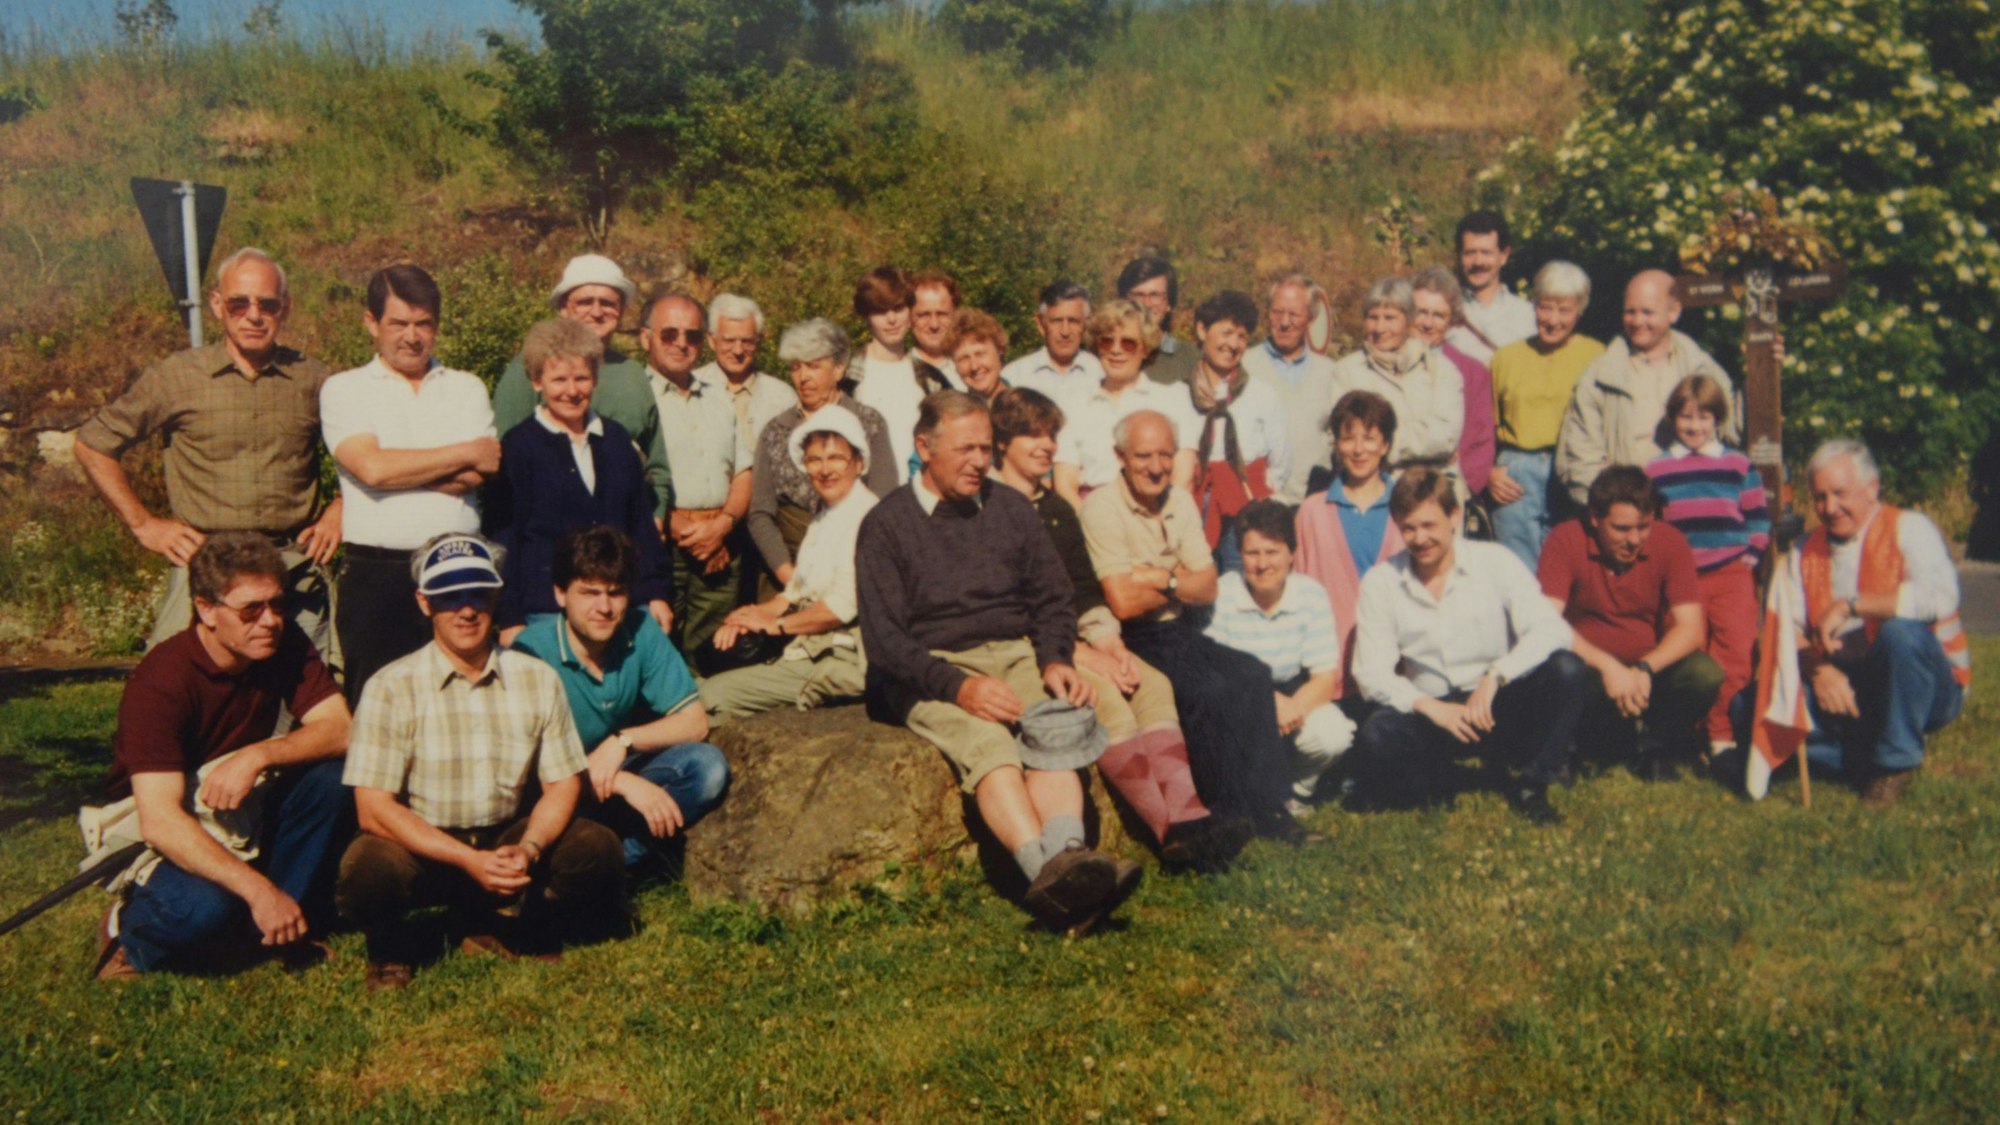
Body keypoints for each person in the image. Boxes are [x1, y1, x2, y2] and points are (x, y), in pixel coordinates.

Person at [857, 391, 1139, 931]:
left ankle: (1069, 867)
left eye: (986, 449)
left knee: (1052, 727)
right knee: (990, 746)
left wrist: (1056, 658)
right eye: (965, 449)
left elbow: (1053, 597)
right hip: (928, 667)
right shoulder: (886, 524)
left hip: (1014, 652)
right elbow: (886, 640)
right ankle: (1051, 878)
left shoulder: (1011, 508)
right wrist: (958, 687)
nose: (979, 462)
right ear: (923, 447)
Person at [337, 533, 624, 991]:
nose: (466, 610)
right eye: (450, 596)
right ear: (424, 602)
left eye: (478, 594)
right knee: (367, 867)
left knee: (597, 847)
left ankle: (506, 922)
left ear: (496, 597)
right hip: (425, 846)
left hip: (504, 836)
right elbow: (373, 808)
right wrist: (467, 860)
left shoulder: (536, 678)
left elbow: (564, 785)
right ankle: (390, 949)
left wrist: (528, 849)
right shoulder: (390, 685)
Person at [993, 388, 1243, 872]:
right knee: (1105, 701)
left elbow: (1085, 591)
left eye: (1051, 435)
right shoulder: (988, 508)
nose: (1046, 446)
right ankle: (1169, 833)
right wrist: (1077, 654)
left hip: (1079, 638)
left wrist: (1106, 639)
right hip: (1026, 648)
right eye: (1031, 435)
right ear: (1003, 441)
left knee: (1152, 684)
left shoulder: (1057, 510)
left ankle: (1190, 818)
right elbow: (1003, 606)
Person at [89, 532, 352, 980]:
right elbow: (160, 820)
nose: (270, 620)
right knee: (202, 908)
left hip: (236, 801)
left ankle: (274, 924)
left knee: (333, 778)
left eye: (278, 604)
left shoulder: (281, 642)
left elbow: (342, 729)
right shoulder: (161, 682)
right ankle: (130, 932)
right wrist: (258, 890)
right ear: (206, 609)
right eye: (250, 609)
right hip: (154, 825)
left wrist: (258, 754)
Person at [75, 247, 342, 655]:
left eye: (267, 304)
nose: (254, 315)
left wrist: (342, 507)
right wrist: (144, 523)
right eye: (239, 303)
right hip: (206, 567)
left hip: (292, 567)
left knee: (309, 702)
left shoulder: (316, 379)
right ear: (217, 304)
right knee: (174, 695)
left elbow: (370, 449)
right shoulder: (177, 377)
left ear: (285, 308)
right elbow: (94, 444)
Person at [1081, 410, 1301, 839]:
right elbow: (1123, 602)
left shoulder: (1179, 501)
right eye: (1144, 455)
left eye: (1166, 454)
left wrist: (1159, 576)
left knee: (1252, 674)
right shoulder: (1101, 508)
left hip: (1174, 628)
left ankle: (1271, 806)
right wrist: (1179, 579)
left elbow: (1208, 587)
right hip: (1131, 638)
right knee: (1205, 689)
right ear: (1120, 456)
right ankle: (1220, 809)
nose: (1157, 466)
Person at [1350, 468, 1585, 824]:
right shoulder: (1381, 582)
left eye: (1429, 525)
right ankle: (1436, 783)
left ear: (1454, 517)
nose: (1419, 538)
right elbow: (1370, 674)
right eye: (1409, 528)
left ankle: (1532, 783)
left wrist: (1496, 676)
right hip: (1434, 710)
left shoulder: (1495, 560)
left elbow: (1553, 630)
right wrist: (1430, 707)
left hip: (1496, 705)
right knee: (1377, 735)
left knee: (1568, 669)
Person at [321, 264, 498, 703]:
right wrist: (462, 452)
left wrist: (394, 468)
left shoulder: (466, 388)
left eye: (423, 324)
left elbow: (482, 470)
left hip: (459, 570)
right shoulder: (344, 389)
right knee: (377, 709)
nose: (411, 336)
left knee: (462, 700)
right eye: (398, 323)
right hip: (377, 576)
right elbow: (372, 470)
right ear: (371, 323)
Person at [1764, 439, 1967, 807]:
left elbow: (1941, 597)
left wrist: (1852, 606)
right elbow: (1786, 629)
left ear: (1872, 488)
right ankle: (1860, 754)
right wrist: (1819, 670)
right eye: (1819, 497)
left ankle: (1893, 765)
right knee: (1752, 706)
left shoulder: (1909, 527)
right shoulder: (1804, 549)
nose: (1829, 508)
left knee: (1900, 633)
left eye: (1840, 493)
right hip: (1848, 680)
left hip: (1924, 684)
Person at [511, 527, 730, 868]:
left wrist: (623, 741)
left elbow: (695, 722)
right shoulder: (530, 652)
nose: (604, 607)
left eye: (616, 593)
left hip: (610, 767)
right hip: (553, 787)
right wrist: (623, 782)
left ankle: (619, 860)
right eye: (589, 592)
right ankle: (598, 863)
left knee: (707, 767)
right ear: (560, 594)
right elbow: (529, 768)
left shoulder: (641, 627)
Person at [484, 319, 671, 645]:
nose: (572, 391)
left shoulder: (615, 440)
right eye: (559, 380)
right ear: (537, 381)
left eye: (582, 378)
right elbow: (505, 538)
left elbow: (639, 523)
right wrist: (510, 616)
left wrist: (654, 593)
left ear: (595, 379)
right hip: (544, 611)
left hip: (614, 607)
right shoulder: (518, 446)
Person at [1539, 466, 1723, 778]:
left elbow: (1691, 628)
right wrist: (1608, 668)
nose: (1635, 539)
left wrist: (1644, 668)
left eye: (1644, 527)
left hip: (1645, 669)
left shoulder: (1671, 542)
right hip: (1589, 669)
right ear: (1594, 517)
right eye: (1622, 529)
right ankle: (1570, 746)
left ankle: (1654, 747)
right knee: (1560, 670)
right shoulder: (1565, 539)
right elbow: (1545, 621)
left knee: (1704, 674)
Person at [700, 407, 876, 720]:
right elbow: (794, 593)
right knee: (704, 677)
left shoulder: (866, 518)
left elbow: (840, 609)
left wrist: (776, 625)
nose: (824, 469)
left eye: (836, 458)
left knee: (711, 696)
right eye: (814, 460)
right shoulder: (825, 516)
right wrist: (748, 616)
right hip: (807, 643)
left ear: (859, 463)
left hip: (840, 656)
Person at [489, 253, 672, 520]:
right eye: (585, 302)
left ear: (620, 311)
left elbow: (657, 462)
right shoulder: (530, 367)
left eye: (607, 303)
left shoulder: (633, 374)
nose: (597, 312)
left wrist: (656, 514)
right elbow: (504, 459)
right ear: (563, 309)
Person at [1204, 499, 1355, 817]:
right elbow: (1217, 675)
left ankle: (1297, 791)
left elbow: (1324, 680)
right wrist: (1268, 705)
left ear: (1291, 555)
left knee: (1333, 734)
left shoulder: (1311, 595)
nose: (1262, 564)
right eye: (1252, 553)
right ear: (1240, 555)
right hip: (1238, 699)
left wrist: (1291, 710)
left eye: (1272, 552)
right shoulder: (1221, 595)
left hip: (1292, 696)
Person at [1646, 375, 1769, 760]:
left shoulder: (1737, 464)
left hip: (1732, 573)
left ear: (1718, 419)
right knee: (1692, 654)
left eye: (1704, 418)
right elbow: (1654, 527)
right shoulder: (1657, 469)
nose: (1695, 427)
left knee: (1736, 652)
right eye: (1686, 418)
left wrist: (1752, 555)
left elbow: (1757, 517)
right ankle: (1693, 733)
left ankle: (1723, 734)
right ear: (1672, 419)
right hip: (1685, 581)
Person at [1555, 269, 1737, 506]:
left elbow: (1732, 432)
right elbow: (1580, 458)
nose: (1638, 321)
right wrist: (1617, 509)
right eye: (1630, 312)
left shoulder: (1704, 370)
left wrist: (1766, 360)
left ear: (1673, 312)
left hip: (1695, 500)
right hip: (1626, 511)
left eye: (1647, 312)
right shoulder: (1599, 377)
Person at [746, 319, 898, 598]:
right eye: (796, 367)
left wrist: (851, 569)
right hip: (787, 566)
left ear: (839, 368)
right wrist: (787, 573)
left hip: (854, 561)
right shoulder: (775, 430)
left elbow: (885, 503)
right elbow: (760, 512)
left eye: (813, 366)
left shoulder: (868, 422)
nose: (803, 377)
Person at [641, 291, 752, 656]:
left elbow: (743, 471)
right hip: (664, 544)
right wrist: (689, 532)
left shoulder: (719, 396)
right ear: (646, 338)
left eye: (691, 335)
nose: (681, 344)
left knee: (711, 651)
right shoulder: (636, 398)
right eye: (669, 334)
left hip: (721, 542)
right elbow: (631, 477)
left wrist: (721, 527)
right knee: (661, 647)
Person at [1291, 391, 1405, 709]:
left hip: (1394, 668)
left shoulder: (1406, 510)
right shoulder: (1312, 511)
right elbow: (1298, 588)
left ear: (1385, 445)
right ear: (1336, 445)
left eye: (1369, 438)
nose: (1358, 449)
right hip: (1330, 669)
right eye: (1347, 438)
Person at [1488, 261, 1605, 570]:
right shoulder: (1506, 357)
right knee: (1516, 572)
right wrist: (1488, 472)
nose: (1552, 320)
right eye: (1545, 307)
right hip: (1516, 474)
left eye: (1564, 310)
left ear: (1580, 310)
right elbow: (1485, 425)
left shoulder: (1598, 356)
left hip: (1573, 470)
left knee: (1571, 569)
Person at [1051, 297, 1199, 509]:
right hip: (1093, 518)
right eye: (1107, 341)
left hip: (1157, 517)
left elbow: (1182, 480)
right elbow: (1065, 485)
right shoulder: (1074, 402)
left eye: (1128, 343)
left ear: (1145, 348)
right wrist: (1095, 527)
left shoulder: (1173, 398)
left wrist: (1156, 526)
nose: (1116, 350)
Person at [1327, 277, 1464, 497]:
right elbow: (1340, 436)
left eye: (1390, 318)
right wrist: (1424, 445)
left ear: (1409, 321)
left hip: (1436, 493)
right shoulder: (1346, 372)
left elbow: (1445, 437)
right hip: (1373, 493)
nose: (1380, 328)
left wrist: (1378, 442)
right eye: (1373, 317)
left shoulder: (1441, 370)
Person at [1184, 290, 1290, 570]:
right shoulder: (1178, 394)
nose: (1233, 344)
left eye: (1242, 337)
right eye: (1226, 332)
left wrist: (1256, 502)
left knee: (1241, 583)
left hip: (1244, 506)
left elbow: (1280, 462)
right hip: (1193, 506)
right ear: (1202, 330)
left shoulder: (1262, 395)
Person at [852, 266, 957, 485]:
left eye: (898, 308)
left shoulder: (932, 379)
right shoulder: (848, 376)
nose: (891, 319)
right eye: (880, 311)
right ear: (866, 316)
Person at [1242, 273, 1340, 502]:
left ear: (1310, 318)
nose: (1284, 322)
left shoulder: (1331, 373)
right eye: (1277, 312)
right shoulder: (1245, 365)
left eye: (1294, 314)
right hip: (1260, 503)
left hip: (1316, 503)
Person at [1410, 266, 1495, 502]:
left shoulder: (1473, 373)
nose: (1427, 323)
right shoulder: (1386, 362)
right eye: (1421, 312)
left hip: (1448, 494)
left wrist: (1460, 492)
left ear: (1451, 320)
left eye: (1438, 315)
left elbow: (1481, 443)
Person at [695, 292, 798, 456]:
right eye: (729, 340)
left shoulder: (782, 397)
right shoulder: (692, 388)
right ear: (711, 340)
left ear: (758, 341)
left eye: (747, 341)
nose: (738, 350)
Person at [1448, 210, 1535, 364]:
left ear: (1503, 256)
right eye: (1470, 253)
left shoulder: (1527, 316)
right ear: (1458, 255)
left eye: (1486, 253)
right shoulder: (1444, 313)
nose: (1478, 262)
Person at [1000, 279, 1104, 408]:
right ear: (1040, 324)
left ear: (1085, 323)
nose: (1065, 332)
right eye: (1056, 321)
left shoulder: (1100, 372)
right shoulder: (1015, 376)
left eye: (1073, 321)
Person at [1116, 255, 1197, 385]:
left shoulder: (1190, 358)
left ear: (1169, 303)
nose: (1146, 304)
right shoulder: (1107, 354)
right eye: (1138, 295)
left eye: (1155, 295)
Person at [909, 269, 963, 390]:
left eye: (942, 314)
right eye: (924, 315)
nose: (934, 325)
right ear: (909, 318)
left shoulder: (971, 368)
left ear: (955, 315)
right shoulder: (902, 372)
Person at [946, 308, 1011, 405]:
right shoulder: (952, 416)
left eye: (980, 354)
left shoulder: (1027, 407)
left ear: (999, 351)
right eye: (964, 358)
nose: (974, 366)